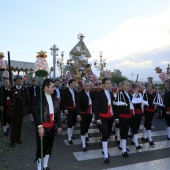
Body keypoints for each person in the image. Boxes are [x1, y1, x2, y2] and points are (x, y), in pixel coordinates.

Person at [32, 78, 62, 170]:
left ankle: (45, 164)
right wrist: (39, 126)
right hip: (43, 127)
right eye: (51, 87)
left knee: (49, 146)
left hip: (52, 127)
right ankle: (39, 166)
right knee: (41, 147)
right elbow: (35, 112)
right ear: (45, 87)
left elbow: (57, 112)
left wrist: (59, 125)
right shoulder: (38, 98)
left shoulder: (54, 97)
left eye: (54, 86)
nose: (54, 88)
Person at [94, 78, 115, 163]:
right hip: (102, 117)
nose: (109, 85)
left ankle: (104, 149)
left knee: (108, 133)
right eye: (107, 83)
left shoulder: (110, 93)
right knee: (105, 133)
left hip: (110, 116)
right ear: (103, 84)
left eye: (110, 83)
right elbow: (95, 107)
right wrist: (97, 118)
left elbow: (113, 104)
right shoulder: (99, 94)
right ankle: (105, 155)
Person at [9, 75, 30, 147]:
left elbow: (27, 99)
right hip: (14, 110)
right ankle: (12, 141)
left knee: (19, 125)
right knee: (13, 126)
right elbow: (10, 100)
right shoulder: (12, 89)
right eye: (17, 80)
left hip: (21, 110)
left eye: (20, 80)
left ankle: (18, 138)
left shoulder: (25, 89)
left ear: (21, 81)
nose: (18, 81)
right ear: (15, 81)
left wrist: (27, 109)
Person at [115, 80, 132, 157]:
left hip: (128, 116)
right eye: (127, 85)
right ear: (122, 86)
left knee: (125, 132)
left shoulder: (129, 94)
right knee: (124, 132)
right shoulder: (119, 94)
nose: (128, 86)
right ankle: (124, 150)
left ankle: (122, 146)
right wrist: (116, 117)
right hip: (122, 116)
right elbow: (116, 107)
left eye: (129, 85)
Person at [76, 80, 94, 151]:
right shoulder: (80, 94)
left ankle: (84, 141)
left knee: (87, 127)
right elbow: (77, 105)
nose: (88, 87)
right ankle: (83, 144)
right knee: (83, 128)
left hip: (89, 113)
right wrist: (78, 115)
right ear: (83, 86)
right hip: (83, 114)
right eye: (86, 86)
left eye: (89, 86)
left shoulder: (91, 93)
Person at [60, 79, 77, 144]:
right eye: (74, 83)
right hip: (68, 109)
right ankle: (69, 138)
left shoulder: (75, 92)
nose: (75, 84)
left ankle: (71, 134)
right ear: (70, 84)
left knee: (73, 123)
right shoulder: (65, 91)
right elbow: (62, 101)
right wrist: (65, 109)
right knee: (69, 123)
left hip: (74, 109)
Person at [130, 82, 143, 149]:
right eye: (138, 86)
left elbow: (142, 104)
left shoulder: (140, 93)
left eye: (140, 86)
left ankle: (133, 140)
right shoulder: (132, 93)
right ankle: (136, 143)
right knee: (134, 128)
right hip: (134, 113)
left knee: (137, 127)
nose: (140, 88)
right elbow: (133, 102)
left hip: (139, 112)